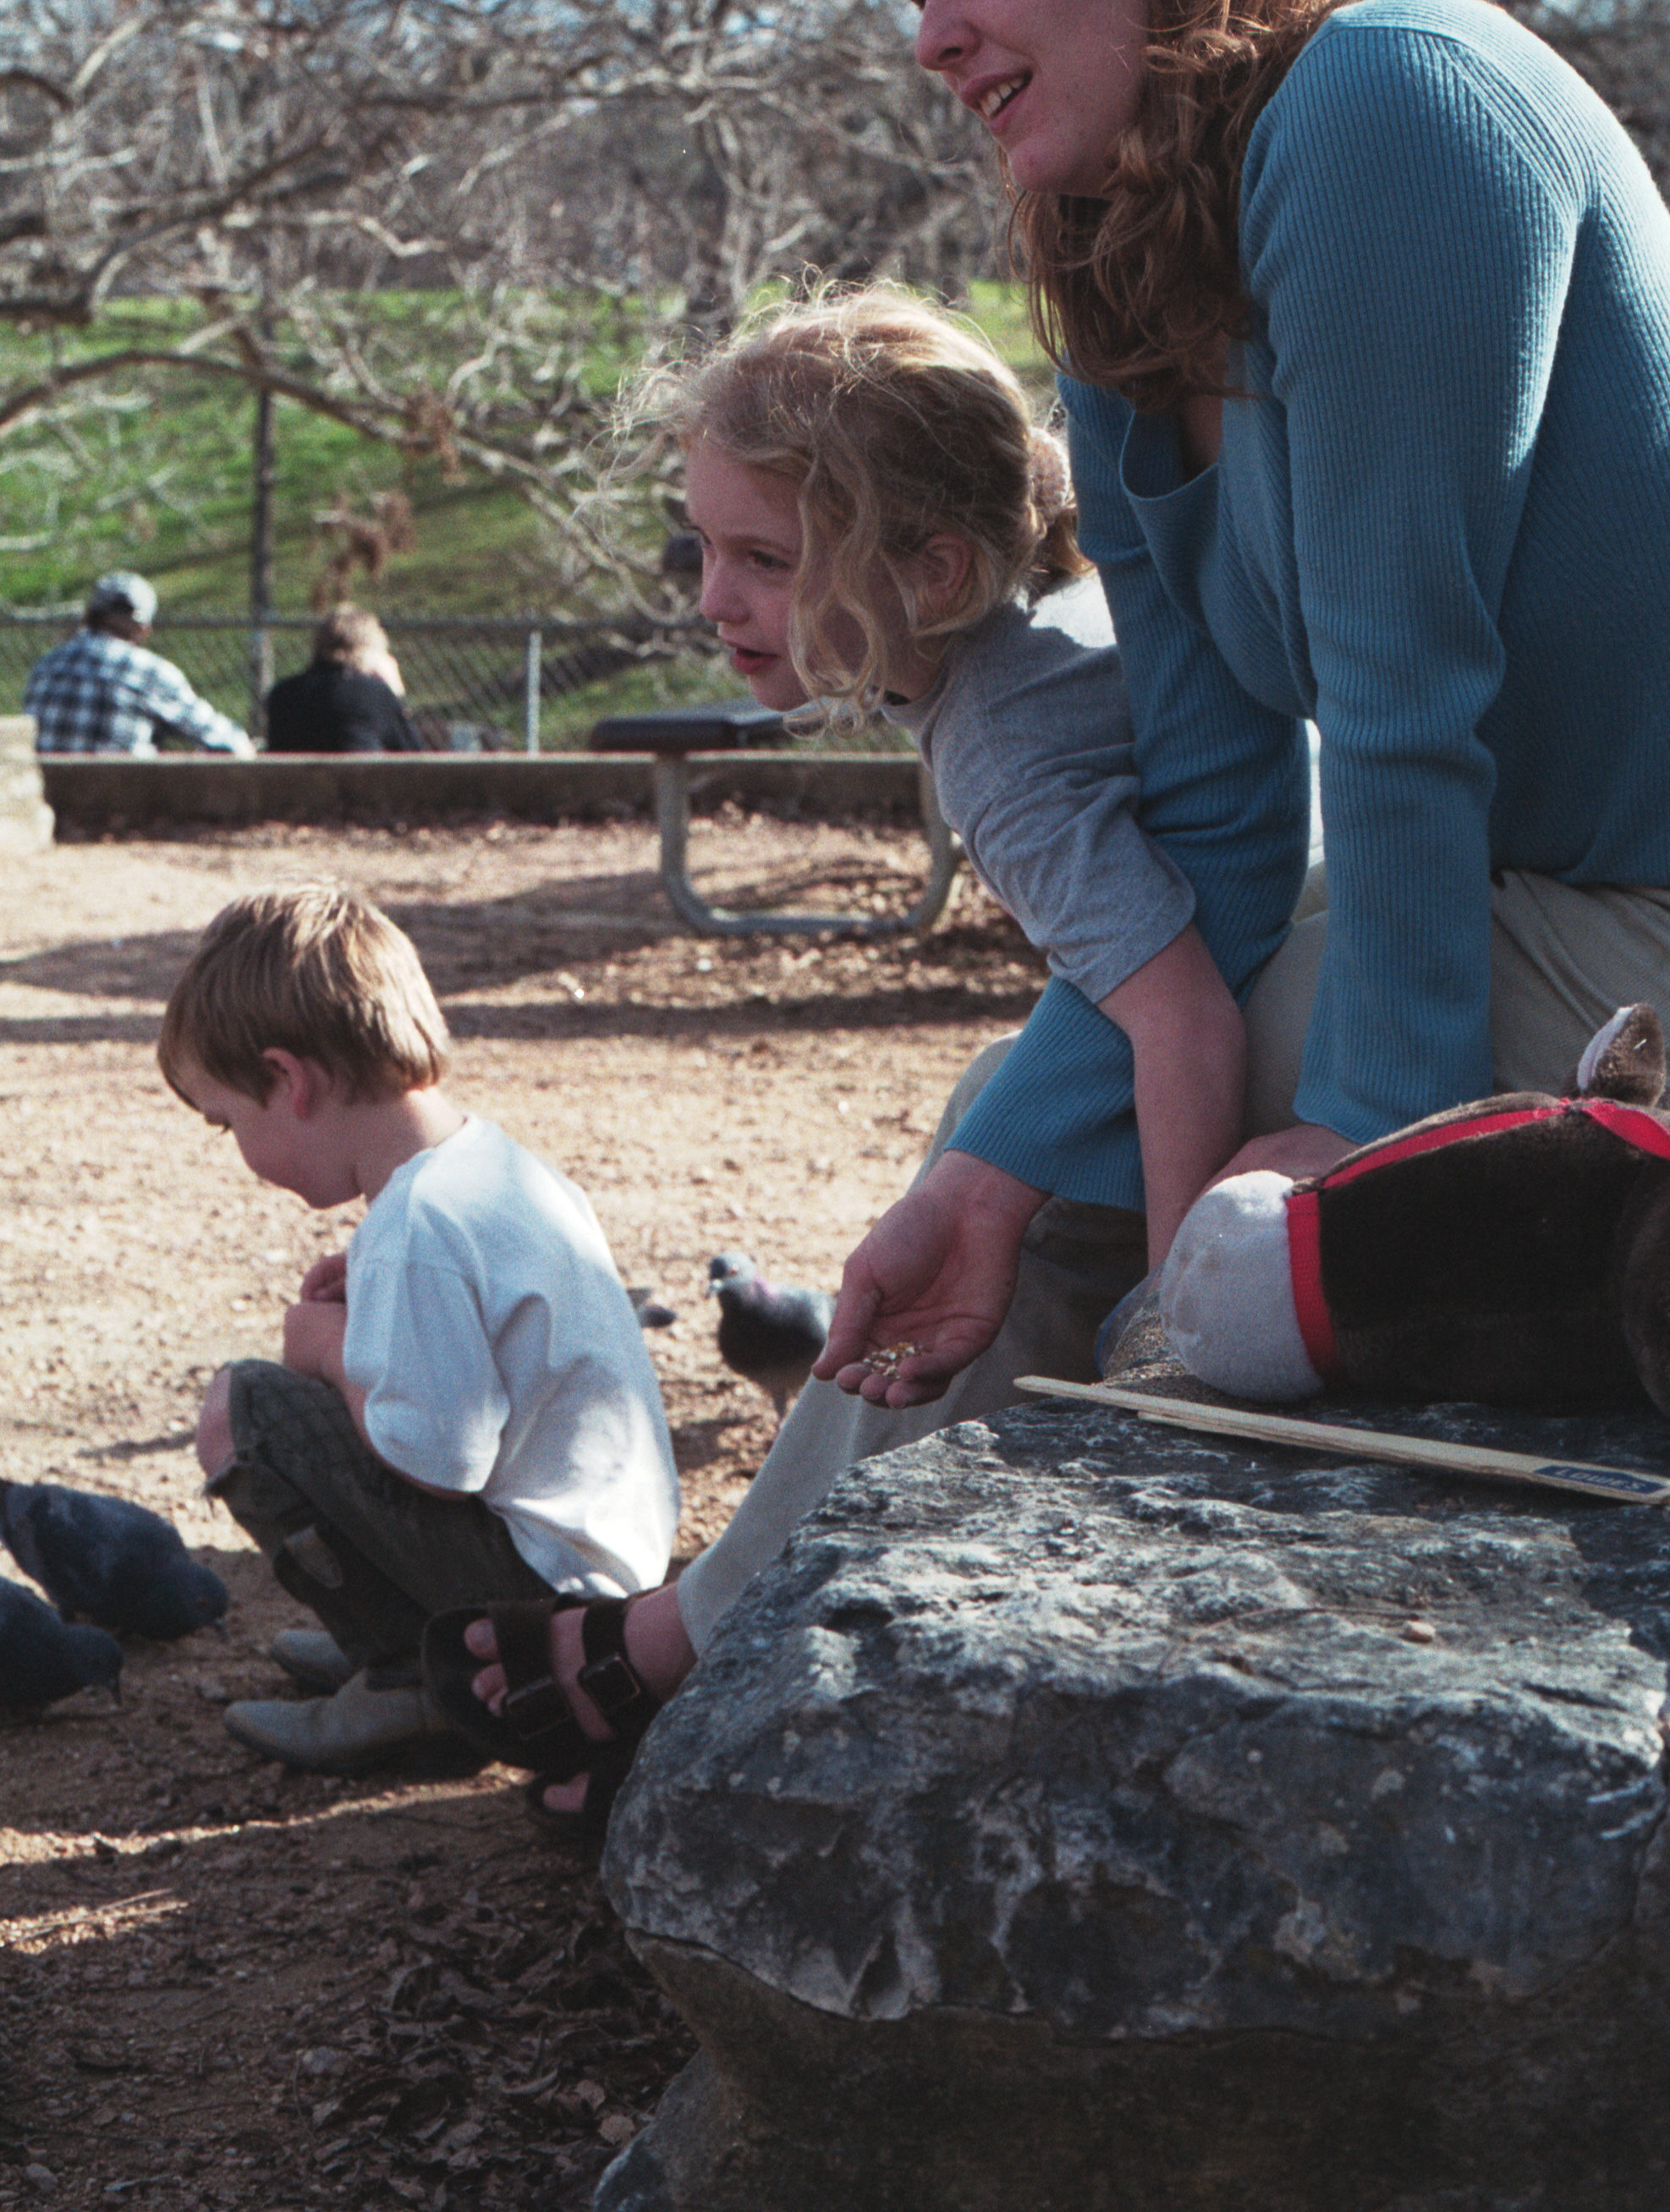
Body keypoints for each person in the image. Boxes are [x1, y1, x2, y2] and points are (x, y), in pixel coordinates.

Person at [454, 0, 1670, 1798]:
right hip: (1531, 905)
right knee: (1056, 1121)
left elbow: (1405, 717)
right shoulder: (1132, 298)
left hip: (1648, 918)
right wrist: (992, 1165)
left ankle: (705, 1672)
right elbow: (1217, 822)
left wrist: (1353, 1148)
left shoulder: (1385, 106)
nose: (930, 30)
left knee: (1226, 1082)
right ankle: (774, 1677)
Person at [447, 283, 1245, 1815]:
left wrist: (1178, 1335)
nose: (710, 598)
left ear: (930, 565)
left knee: (1029, 1202)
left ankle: (728, 1648)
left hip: (1285, 1042)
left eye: (762, 558)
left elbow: (1179, 1013)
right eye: (702, 548)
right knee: (986, 1130)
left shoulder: (997, 732)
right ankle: (734, 1613)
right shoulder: (1065, 621)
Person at [160, 882, 678, 1785]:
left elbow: (437, 1457)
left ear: (289, 1081)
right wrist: (371, 1317)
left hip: (540, 1607)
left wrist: (327, 1349)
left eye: (227, 1123)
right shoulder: (494, 1169)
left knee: (244, 1409)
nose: (234, 1150)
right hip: (610, 1579)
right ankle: (404, 1646)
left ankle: (417, 1674)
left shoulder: (417, 1226)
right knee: (299, 1404)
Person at [25, 572, 254, 756]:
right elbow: (230, 742)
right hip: (121, 808)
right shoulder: (149, 672)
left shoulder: (46, 666)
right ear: (144, 628)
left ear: (90, 614)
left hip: (42, 804)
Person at [265, 607, 423, 753]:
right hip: (359, 783)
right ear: (369, 649)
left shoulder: (282, 694)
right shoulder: (375, 693)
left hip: (297, 783)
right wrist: (397, 693)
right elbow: (415, 759)